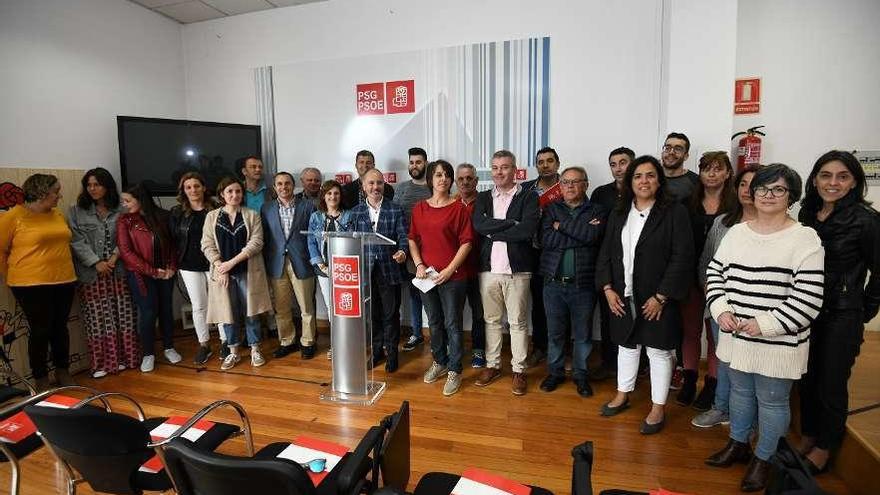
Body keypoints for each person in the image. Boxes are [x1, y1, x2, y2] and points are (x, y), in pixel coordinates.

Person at [705, 164, 823, 492]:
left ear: (792, 196)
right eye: (762, 189)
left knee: (771, 401)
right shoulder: (737, 232)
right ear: (752, 194)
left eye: (778, 189)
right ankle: (738, 443)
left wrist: (764, 324)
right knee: (740, 393)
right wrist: (720, 310)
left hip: (778, 342)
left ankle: (764, 458)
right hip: (736, 336)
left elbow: (809, 299)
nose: (768, 195)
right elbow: (715, 274)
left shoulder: (805, 237)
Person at [596, 155, 694, 435]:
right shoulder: (619, 212)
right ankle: (622, 393)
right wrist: (607, 288)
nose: (644, 181)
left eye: (650, 175)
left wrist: (662, 296)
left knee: (658, 352)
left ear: (659, 180)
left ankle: (658, 407)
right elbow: (606, 253)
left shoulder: (674, 212)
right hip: (621, 294)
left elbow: (682, 257)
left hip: (657, 298)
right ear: (630, 181)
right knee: (627, 346)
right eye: (638, 176)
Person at [798, 150, 880, 473]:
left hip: (843, 314)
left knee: (831, 382)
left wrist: (863, 311)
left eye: (842, 176)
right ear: (815, 179)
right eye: (826, 175)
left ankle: (825, 446)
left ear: (854, 182)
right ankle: (808, 434)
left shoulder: (866, 219)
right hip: (806, 310)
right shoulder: (807, 212)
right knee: (806, 377)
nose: (833, 183)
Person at [691, 165, 760, 429]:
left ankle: (749, 419)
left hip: (757, 311)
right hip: (722, 307)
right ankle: (721, 408)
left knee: (749, 366)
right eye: (743, 185)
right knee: (724, 358)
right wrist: (712, 295)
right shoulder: (723, 223)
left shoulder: (775, 227)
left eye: (754, 185)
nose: (747, 191)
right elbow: (706, 263)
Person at [471, 150, 540, 396]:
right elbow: (479, 225)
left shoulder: (529, 197)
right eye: (496, 167)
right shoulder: (482, 197)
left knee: (518, 322)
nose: (500, 172)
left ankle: (519, 370)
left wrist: (494, 229)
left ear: (515, 169)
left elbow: (527, 231)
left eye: (505, 167)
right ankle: (493, 365)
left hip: (517, 270)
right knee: (491, 321)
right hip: (488, 270)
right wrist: (512, 223)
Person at [0, 174, 77, 390]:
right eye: (55, 191)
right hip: (30, 284)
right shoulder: (13, 217)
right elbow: (1, 251)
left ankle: (63, 371)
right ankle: (41, 378)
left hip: (64, 280)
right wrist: (11, 276)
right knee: (40, 330)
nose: (59, 195)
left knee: (60, 328)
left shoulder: (57, 214)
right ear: (41, 193)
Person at [538, 167, 607, 397]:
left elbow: (592, 237)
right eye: (565, 182)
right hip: (553, 283)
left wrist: (563, 227)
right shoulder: (551, 209)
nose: (569, 186)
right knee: (555, 333)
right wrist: (579, 233)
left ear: (585, 185)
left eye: (575, 182)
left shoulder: (597, 210)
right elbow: (546, 239)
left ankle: (581, 375)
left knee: (583, 335)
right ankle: (555, 372)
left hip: (583, 285)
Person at [410, 160, 474, 396]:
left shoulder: (459, 208)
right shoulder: (419, 208)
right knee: (434, 322)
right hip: (427, 276)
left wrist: (449, 270)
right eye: (438, 175)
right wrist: (418, 264)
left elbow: (467, 242)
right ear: (430, 179)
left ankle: (455, 369)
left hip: (453, 277)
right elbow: (412, 239)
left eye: (447, 175)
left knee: (453, 324)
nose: (443, 179)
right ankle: (440, 361)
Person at [678, 152, 736, 408]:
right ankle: (689, 380)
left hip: (723, 282)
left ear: (727, 173)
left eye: (717, 169)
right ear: (699, 173)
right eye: (706, 169)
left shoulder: (735, 206)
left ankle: (712, 384)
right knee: (690, 332)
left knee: (716, 336)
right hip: (690, 277)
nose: (711, 174)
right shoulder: (686, 203)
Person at [68, 168, 139, 378]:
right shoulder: (76, 210)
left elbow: (128, 237)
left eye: (97, 184)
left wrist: (114, 258)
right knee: (97, 318)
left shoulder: (121, 209)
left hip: (118, 270)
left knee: (124, 315)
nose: (92, 189)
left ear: (107, 186)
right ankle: (101, 364)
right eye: (89, 185)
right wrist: (96, 262)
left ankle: (127, 358)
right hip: (92, 274)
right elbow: (76, 240)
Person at [202, 177, 273, 370]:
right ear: (222, 195)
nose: (234, 195)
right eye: (230, 192)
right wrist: (220, 266)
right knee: (228, 313)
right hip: (223, 274)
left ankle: (255, 349)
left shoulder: (251, 215)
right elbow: (206, 244)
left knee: (252, 312)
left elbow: (257, 242)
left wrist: (231, 263)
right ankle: (233, 352)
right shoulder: (212, 217)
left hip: (247, 271)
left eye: (238, 191)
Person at [117, 183, 181, 373]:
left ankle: (169, 347)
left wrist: (171, 267)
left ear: (141, 199)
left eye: (128, 201)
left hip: (166, 273)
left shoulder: (164, 216)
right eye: (123, 201)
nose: (125, 204)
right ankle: (148, 354)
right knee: (148, 312)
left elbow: (173, 245)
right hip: (140, 275)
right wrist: (152, 271)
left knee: (166, 310)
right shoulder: (125, 221)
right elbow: (126, 251)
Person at [350, 168, 409, 372]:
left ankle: (392, 354)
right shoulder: (355, 212)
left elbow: (403, 237)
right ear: (364, 186)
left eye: (379, 183)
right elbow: (351, 241)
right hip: (365, 272)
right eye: (371, 183)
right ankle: (376, 353)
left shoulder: (395, 209)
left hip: (390, 270)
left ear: (384, 185)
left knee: (391, 315)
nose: (376, 187)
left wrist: (402, 252)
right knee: (372, 315)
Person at [590, 146, 635, 380]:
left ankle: (638, 367)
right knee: (608, 316)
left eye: (623, 162)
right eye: (613, 164)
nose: (618, 168)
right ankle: (609, 364)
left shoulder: (641, 191)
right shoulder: (600, 193)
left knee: (633, 317)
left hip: (634, 265)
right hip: (605, 263)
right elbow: (593, 225)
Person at [262, 172, 318, 359]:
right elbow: (266, 238)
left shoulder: (308, 206)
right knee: (282, 308)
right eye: (279, 184)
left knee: (306, 307)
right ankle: (287, 341)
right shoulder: (266, 208)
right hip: (277, 264)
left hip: (302, 261)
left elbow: (314, 234)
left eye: (287, 183)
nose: (283, 187)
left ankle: (308, 342)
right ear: (274, 187)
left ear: (294, 186)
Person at [170, 172, 223, 365]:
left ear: (204, 188)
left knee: (220, 302)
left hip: (215, 263)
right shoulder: (177, 213)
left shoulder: (217, 209)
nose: (193, 190)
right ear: (183, 190)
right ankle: (204, 344)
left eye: (196, 186)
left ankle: (226, 342)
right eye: (188, 187)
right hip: (189, 265)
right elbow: (174, 241)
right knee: (199, 305)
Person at [520, 147, 561, 368]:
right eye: (541, 162)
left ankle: (561, 349)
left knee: (559, 303)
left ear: (557, 163)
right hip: (532, 253)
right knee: (538, 303)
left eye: (549, 161)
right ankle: (540, 346)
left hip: (558, 254)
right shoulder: (526, 189)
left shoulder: (567, 187)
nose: (545, 165)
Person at [307, 180, 354, 359]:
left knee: (346, 307)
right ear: (323, 197)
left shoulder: (350, 216)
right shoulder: (316, 217)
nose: (333, 197)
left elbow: (355, 241)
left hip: (347, 270)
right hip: (324, 270)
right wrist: (322, 265)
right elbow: (311, 242)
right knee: (331, 308)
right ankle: (336, 345)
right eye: (329, 194)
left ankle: (349, 343)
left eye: (336, 193)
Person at [396, 147, 432, 353]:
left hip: (428, 253)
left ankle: (436, 336)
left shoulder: (432, 187)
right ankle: (417, 334)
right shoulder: (401, 188)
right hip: (406, 252)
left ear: (425, 163)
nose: (414, 166)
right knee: (413, 295)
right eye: (411, 162)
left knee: (431, 297)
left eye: (418, 162)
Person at [455, 163, 486, 368]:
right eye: (461, 179)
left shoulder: (486, 202)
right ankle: (454, 349)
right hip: (455, 269)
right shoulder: (451, 203)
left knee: (479, 313)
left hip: (480, 267)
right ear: (456, 182)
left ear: (476, 181)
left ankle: (478, 350)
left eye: (469, 178)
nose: (465, 182)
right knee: (453, 313)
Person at [661, 132, 700, 203]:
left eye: (678, 149)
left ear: (686, 156)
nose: (671, 152)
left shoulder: (695, 181)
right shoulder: (651, 178)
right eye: (667, 148)